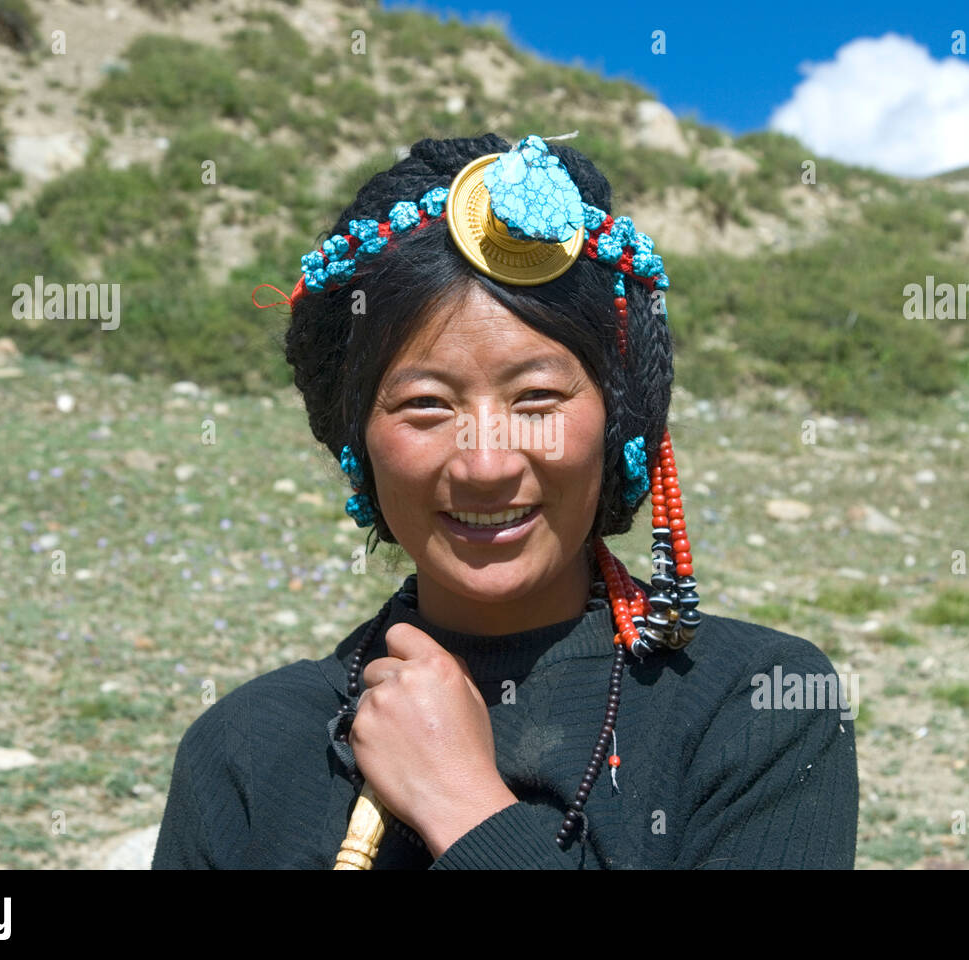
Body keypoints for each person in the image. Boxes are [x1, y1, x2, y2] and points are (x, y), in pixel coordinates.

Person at [151, 133, 858, 869]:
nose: (485, 463)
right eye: (425, 404)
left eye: (538, 399)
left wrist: (462, 806)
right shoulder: (246, 748)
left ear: (621, 419)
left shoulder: (759, 706)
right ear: (356, 439)